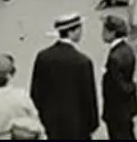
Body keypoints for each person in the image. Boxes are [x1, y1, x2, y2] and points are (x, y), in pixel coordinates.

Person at [30, 13, 100, 141]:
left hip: (50, 124)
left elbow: (36, 93)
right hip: (76, 126)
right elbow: (88, 97)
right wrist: (92, 124)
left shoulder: (43, 57)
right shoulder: (83, 62)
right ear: (72, 32)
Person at [101, 15, 137, 140]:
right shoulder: (127, 50)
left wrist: (132, 86)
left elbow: (118, 85)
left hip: (116, 110)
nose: (102, 34)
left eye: (104, 30)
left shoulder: (114, 58)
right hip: (127, 108)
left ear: (112, 33)